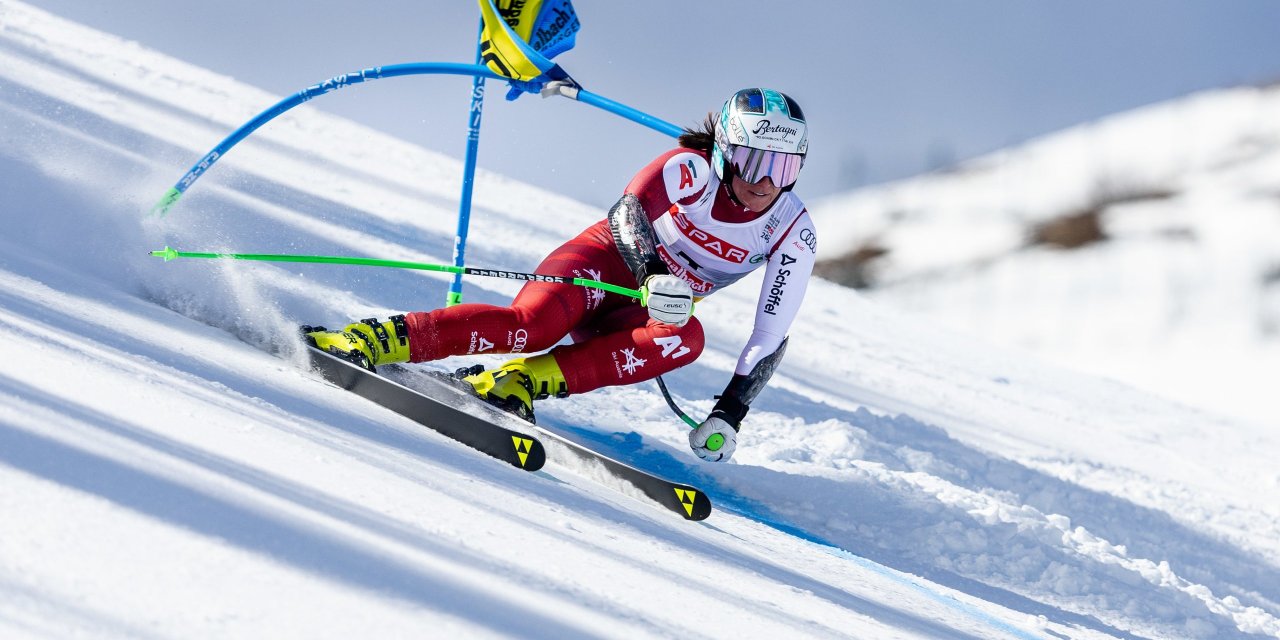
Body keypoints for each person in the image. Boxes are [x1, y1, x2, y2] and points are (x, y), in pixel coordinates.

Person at [305, 87, 816, 463]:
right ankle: (370, 338)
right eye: (751, 161)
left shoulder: (791, 229)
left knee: (686, 338)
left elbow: (770, 334)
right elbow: (627, 214)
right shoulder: (692, 169)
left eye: (783, 167)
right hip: (605, 265)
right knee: (532, 325)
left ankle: (517, 382)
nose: (765, 182)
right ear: (725, 152)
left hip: (646, 306)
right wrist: (654, 271)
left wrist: (730, 413)